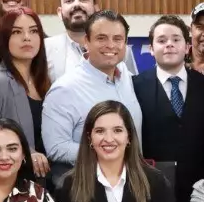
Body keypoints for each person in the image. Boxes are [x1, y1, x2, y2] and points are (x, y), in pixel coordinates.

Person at [132, 15, 204, 202]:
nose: (169, 44)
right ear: (151, 49)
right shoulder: (134, 86)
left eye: (175, 39)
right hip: (151, 191)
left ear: (187, 46)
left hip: (200, 191)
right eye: (161, 40)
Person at [41, 10, 142, 166]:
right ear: (86, 41)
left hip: (132, 180)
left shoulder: (126, 76)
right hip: (88, 185)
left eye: (118, 39)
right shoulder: (64, 89)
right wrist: (109, 152)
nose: (110, 45)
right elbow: (56, 147)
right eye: (101, 38)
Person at [0, 7, 53, 178]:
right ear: (5, 39)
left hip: (48, 176)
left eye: (34, 31)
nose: (27, 37)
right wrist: (25, 153)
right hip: (13, 178)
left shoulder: (45, 81)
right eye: (17, 32)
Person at [46, 0, 140, 81]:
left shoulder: (120, 50)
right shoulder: (45, 49)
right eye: (69, 0)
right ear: (60, 12)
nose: (76, 4)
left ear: (96, 9)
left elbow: (133, 89)